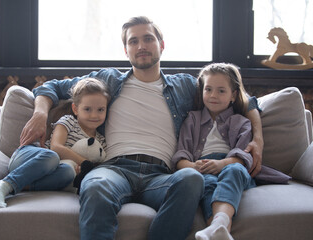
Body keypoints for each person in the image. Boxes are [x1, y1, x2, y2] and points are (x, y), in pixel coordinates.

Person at [18, 16, 264, 240]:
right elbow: (51, 87)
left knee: (191, 177)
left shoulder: (186, 86)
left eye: (148, 38)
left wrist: (258, 139)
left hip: (162, 175)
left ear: (161, 45)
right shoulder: (109, 80)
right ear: (126, 50)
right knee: (95, 184)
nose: (141, 46)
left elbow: (246, 100)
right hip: (114, 168)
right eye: (133, 41)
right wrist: (40, 113)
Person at [0, 77, 110, 208]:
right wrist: (85, 163)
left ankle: (11, 185)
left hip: (45, 173)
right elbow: (56, 147)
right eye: (87, 109)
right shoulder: (68, 121)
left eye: (100, 110)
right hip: (28, 158)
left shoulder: (101, 140)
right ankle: (3, 186)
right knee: (52, 156)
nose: (94, 115)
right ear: (75, 109)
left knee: (68, 173)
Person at [172, 63, 258, 240]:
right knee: (207, 184)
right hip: (203, 168)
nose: (213, 95)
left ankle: (217, 225)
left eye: (221, 91)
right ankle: (218, 231)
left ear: (233, 95)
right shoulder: (192, 119)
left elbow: (243, 158)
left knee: (233, 171)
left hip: (231, 165)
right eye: (208, 89)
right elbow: (181, 156)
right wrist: (193, 166)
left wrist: (222, 164)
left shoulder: (242, 122)